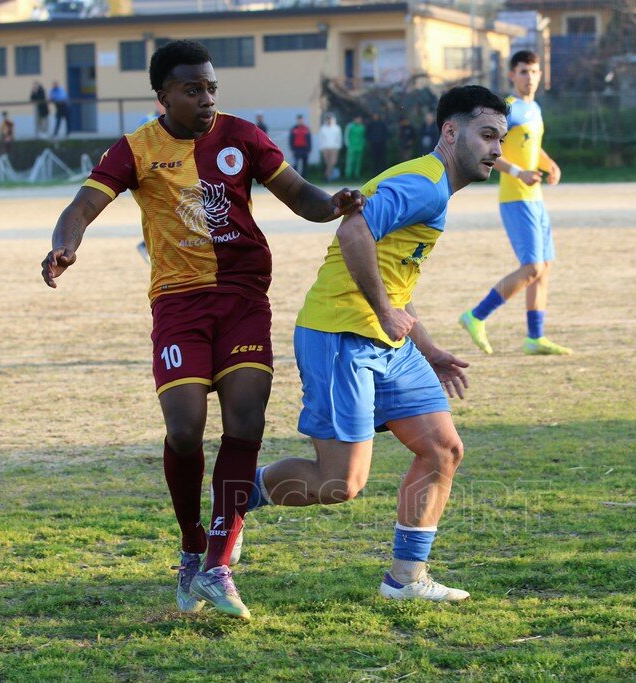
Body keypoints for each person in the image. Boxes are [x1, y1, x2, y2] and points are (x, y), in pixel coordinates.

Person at [39, 39, 363, 620]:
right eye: (193, 89)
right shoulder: (137, 148)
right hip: (179, 304)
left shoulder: (243, 136)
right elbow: (82, 206)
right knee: (185, 430)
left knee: (246, 421)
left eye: (211, 87)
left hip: (243, 299)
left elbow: (299, 195)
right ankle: (191, 546)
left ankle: (217, 563)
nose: (207, 99)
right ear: (163, 96)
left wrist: (334, 203)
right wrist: (65, 245)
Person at [240, 85, 509, 603]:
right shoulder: (424, 185)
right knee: (339, 484)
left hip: (388, 342)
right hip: (340, 333)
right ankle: (234, 497)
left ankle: (405, 579)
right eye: (487, 135)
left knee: (442, 449)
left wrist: (426, 346)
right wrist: (385, 312)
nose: (496, 149)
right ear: (450, 132)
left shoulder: (433, 187)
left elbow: (393, 278)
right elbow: (353, 232)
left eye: (501, 138)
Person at [459, 50, 571, 356]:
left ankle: (535, 338)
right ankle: (476, 316)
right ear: (512, 75)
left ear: (540, 74)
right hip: (515, 197)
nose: (529, 77)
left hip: (535, 198)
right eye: (523, 71)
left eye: (533, 72)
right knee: (532, 267)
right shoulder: (508, 109)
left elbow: (532, 147)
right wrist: (518, 172)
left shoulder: (534, 108)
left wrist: (549, 163)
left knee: (544, 268)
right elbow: (488, 151)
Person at [318, 114, 343, 181]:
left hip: (334, 148)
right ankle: (329, 177)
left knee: (333, 162)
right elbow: (321, 139)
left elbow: (339, 138)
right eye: (328, 119)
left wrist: (338, 148)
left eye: (331, 119)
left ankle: (327, 176)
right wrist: (322, 148)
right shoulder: (323, 128)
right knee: (328, 163)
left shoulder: (337, 128)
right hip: (326, 148)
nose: (329, 121)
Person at [344, 115, 366, 180]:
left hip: (360, 147)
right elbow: (346, 135)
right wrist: (348, 145)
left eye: (359, 119)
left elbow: (363, 137)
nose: (358, 120)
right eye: (357, 119)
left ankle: (357, 175)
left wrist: (363, 144)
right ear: (354, 119)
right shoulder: (350, 126)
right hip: (351, 146)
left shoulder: (362, 127)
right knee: (350, 161)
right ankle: (348, 175)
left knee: (358, 162)